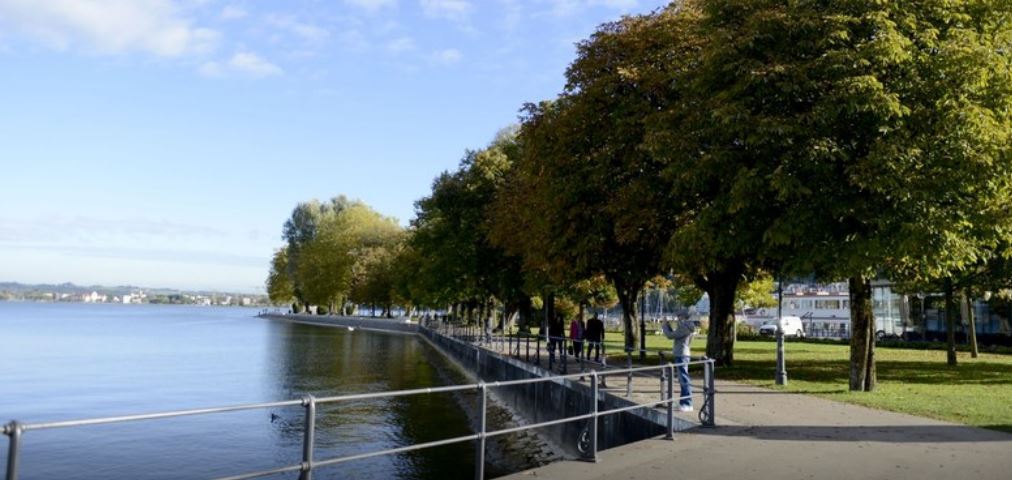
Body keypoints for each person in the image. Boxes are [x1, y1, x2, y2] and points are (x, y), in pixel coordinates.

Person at [663, 316, 697, 412]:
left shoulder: (685, 327)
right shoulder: (686, 326)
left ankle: (687, 403)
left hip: (682, 354)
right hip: (681, 354)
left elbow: (670, 335)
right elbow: (674, 334)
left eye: (679, 316)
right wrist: (668, 325)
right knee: (682, 379)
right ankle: (683, 402)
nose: (678, 318)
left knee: (684, 379)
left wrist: (665, 325)